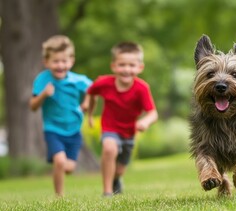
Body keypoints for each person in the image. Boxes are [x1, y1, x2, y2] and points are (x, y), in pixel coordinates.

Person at [86, 41, 158, 196]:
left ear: (140, 67)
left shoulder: (142, 88)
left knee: (119, 170)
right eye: (122, 65)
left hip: (129, 133)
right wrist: (90, 114)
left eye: (131, 65)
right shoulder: (104, 83)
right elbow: (91, 92)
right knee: (109, 149)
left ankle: (116, 179)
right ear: (113, 66)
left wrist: (145, 122)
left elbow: (153, 113)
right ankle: (107, 192)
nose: (126, 69)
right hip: (109, 128)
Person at [29, 35, 92, 196]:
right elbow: (33, 106)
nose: (60, 65)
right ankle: (59, 197)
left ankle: (60, 170)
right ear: (46, 62)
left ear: (71, 61)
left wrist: (86, 103)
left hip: (73, 130)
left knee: (69, 168)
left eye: (64, 61)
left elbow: (93, 90)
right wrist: (44, 94)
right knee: (60, 161)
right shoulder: (42, 80)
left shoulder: (78, 80)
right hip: (53, 129)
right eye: (55, 61)